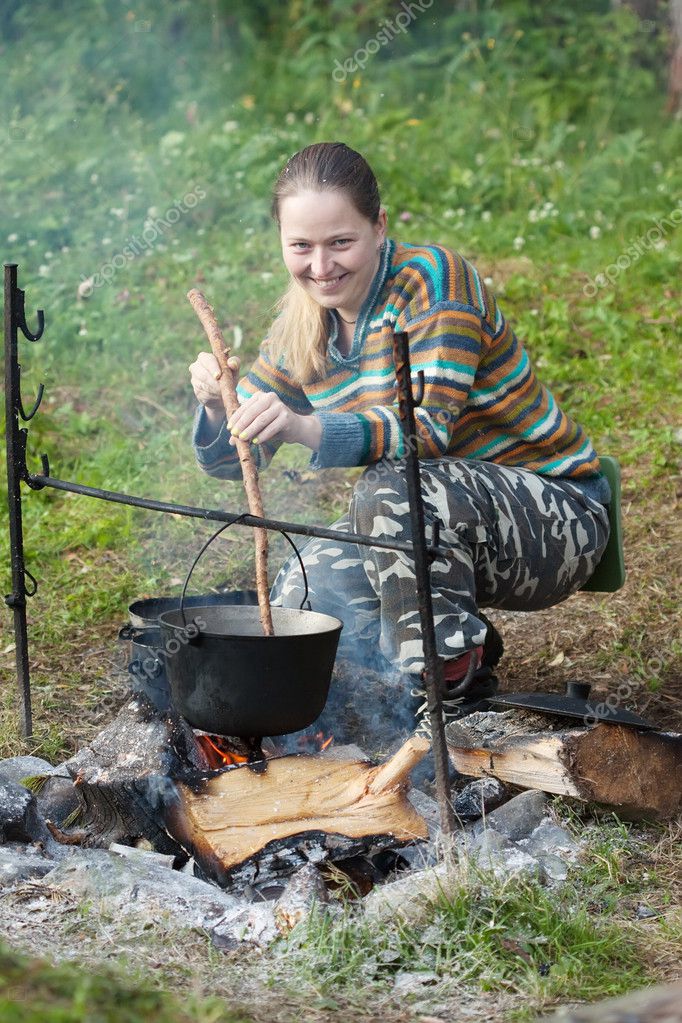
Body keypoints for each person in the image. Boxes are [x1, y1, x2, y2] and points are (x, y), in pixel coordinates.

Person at [189, 141, 610, 724]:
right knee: (303, 591)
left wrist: (307, 427)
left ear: (379, 225)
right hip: (438, 521)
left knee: (391, 490)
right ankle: (463, 654)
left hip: (556, 517)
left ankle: (447, 704)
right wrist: (217, 405)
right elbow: (235, 459)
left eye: (341, 242)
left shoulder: (434, 281)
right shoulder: (301, 324)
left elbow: (424, 435)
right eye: (301, 246)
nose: (321, 266)